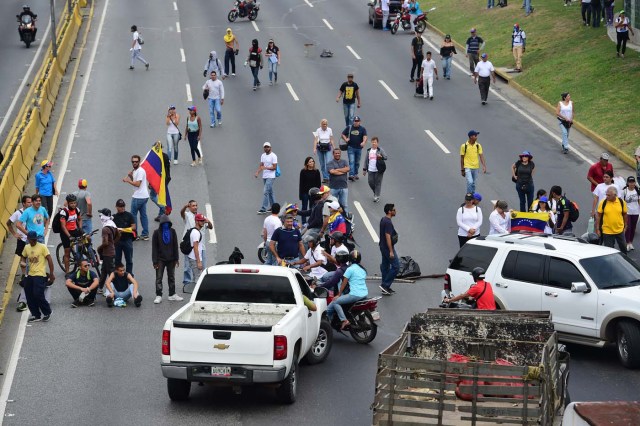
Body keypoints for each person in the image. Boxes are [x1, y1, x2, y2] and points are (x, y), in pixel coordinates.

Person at [327, 250, 368, 329]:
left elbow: (344, 283)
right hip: (364, 294)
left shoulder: (350, 269)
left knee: (335, 301)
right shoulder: (363, 270)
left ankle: (344, 320)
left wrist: (338, 295)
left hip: (355, 295)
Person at [21, 231, 55, 322]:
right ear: (28, 239)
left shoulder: (42, 247)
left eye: (35, 240)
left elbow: (50, 260)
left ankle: (47, 311)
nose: (33, 241)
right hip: (30, 274)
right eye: (32, 240)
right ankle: (36, 315)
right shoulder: (26, 247)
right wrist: (23, 263)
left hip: (40, 274)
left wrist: (51, 274)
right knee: (29, 294)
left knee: (37, 294)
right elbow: (23, 256)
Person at [8, 195, 32, 312]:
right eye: (28, 202)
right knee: (22, 259)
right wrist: (14, 234)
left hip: (31, 240)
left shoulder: (33, 212)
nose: (30, 204)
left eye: (31, 202)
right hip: (22, 240)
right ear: (23, 203)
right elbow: (9, 223)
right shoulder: (18, 213)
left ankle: (28, 274)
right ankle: (24, 275)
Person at [152, 215, 182, 304]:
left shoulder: (172, 232)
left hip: (171, 259)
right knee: (159, 278)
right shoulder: (156, 233)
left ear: (169, 224)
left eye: (167, 223)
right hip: (160, 259)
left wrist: (176, 258)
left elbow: (175, 246)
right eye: (164, 223)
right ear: (161, 224)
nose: (165, 225)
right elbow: (154, 248)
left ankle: (172, 294)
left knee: (171, 277)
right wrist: (155, 261)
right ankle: (158, 295)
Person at [123, 154, 149, 240]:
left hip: (138, 197)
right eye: (133, 162)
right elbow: (135, 180)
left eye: (136, 162)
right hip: (143, 196)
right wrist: (130, 176)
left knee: (133, 215)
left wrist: (128, 180)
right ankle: (145, 234)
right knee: (143, 215)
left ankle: (135, 234)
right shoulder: (136, 171)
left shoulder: (140, 171)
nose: (134, 163)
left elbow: (137, 184)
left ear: (139, 162)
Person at [596, 186, 627, 253]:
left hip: (619, 230)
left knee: (624, 248)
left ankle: (624, 261)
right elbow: (598, 216)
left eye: (609, 195)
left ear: (615, 195)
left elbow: (625, 214)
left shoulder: (621, 202)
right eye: (606, 194)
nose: (607, 196)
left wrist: (625, 225)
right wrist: (597, 228)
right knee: (609, 251)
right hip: (607, 231)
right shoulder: (603, 203)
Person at [59, 194, 83, 274]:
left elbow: (79, 219)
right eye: (71, 203)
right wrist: (69, 236)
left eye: (74, 203)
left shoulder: (77, 210)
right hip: (65, 232)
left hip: (74, 230)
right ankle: (67, 272)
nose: (73, 205)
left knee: (85, 239)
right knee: (67, 252)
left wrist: (80, 228)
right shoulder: (64, 212)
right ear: (68, 203)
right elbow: (63, 226)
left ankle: (81, 256)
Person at [95, 208, 117, 294]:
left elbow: (105, 242)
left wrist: (99, 248)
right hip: (111, 251)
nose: (100, 216)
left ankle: (112, 290)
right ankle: (100, 287)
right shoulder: (113, 225)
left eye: (101, 214)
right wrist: (113, 243)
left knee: (110, 272)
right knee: (104, 270)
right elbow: (118, 235)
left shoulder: (105, 229)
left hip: (108, 254)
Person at [379, 204, 399, 295]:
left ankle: (385, 287)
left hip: (382, 247)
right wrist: (391, 251)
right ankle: (385, 285)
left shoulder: (383, 219)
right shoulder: (388, 223)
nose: (395, 211)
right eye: (394, 210)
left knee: (385, 266)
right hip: (387, 248)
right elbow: (388, 237)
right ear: (390, 211)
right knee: (396, 266)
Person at [341, 116, 368, 181]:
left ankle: (356, 173)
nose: (356, 122)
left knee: (357, 162)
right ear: (353, 121)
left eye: (357, 121)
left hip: (359, 148)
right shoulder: (349, 127)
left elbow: (365, 136)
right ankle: (351, 175)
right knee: (352, 161)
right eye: (355, 121)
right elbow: (342, 134)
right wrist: (346, 139)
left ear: (359, 122)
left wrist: (364, 142)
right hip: (351, 147)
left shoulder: (362, 129)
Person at [113, 199, 135, 274]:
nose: (122, 208)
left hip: (127, 240)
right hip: (117, 241)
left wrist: (124, 230)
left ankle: (129, 276)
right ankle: (117, 275)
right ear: (116, 207)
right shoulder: (113, 217)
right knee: (117, 260)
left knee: (129, 260)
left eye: (123, 206)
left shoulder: (129, 215)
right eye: (120, 206)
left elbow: (133, 227)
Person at [256, 142, 278, 214]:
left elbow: (274, 167)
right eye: (265, 147)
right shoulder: (263, 155)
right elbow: (261, 165)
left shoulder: (273, 156)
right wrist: (257, 172)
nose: (266, 148)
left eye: (267, 147)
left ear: (270, 147)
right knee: (270, 192)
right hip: (265, 176)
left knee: (265, 191)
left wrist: (266, 168)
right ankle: (273, 207)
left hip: (271, 176)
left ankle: (263, 208)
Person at [363, 137, 388, 203]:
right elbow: (366, 160)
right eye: (373, 142)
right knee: (370, 182)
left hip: (378, 169)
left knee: (378, 183)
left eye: (375, 142)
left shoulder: (380, 150)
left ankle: (377, 196)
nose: (374, 143)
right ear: (371, 143)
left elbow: (386, 157)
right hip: (370, 169)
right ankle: (376, 192)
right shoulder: (369, 151)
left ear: (377, 143)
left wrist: (381, 157)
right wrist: (364, 169)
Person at [327, 149, 350, 215]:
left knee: (344, 205)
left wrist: (337, 170)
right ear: (333, 154)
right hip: (333, 188)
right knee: (332, 205)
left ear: (340, 154)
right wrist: (343, 171)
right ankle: (332, 220)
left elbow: (348, 169)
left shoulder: (344, 161)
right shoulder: (330, 163)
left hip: (344, 187)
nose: (337, 154)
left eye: (338, 153)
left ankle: (346, 220)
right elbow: (332, 172)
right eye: (336, 153)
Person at [299, 158, 321, 225]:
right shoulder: (303, 171)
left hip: (313, 194)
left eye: (312, 161)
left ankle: (311, 221)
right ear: (307, 163)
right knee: (304, 207)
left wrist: (318, 194)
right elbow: (301, 183)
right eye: (310, 162)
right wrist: (300, 194)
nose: (312, 163)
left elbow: (319, 184)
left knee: (312, 208)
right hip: (305, 193)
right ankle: (303, 222)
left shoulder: (316, 171)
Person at [622, 177, 640, 251]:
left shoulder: (637, 191)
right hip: (627, 212)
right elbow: (621, 202)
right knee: (628, 227)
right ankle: (626, 243)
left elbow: (639, 201)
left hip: (635, 212)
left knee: (633, 228)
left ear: (635, 183)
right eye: (630, 182)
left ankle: (630, 243)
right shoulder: (624, 191)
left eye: (633, 182)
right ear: (627, 183)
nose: (632, 184)